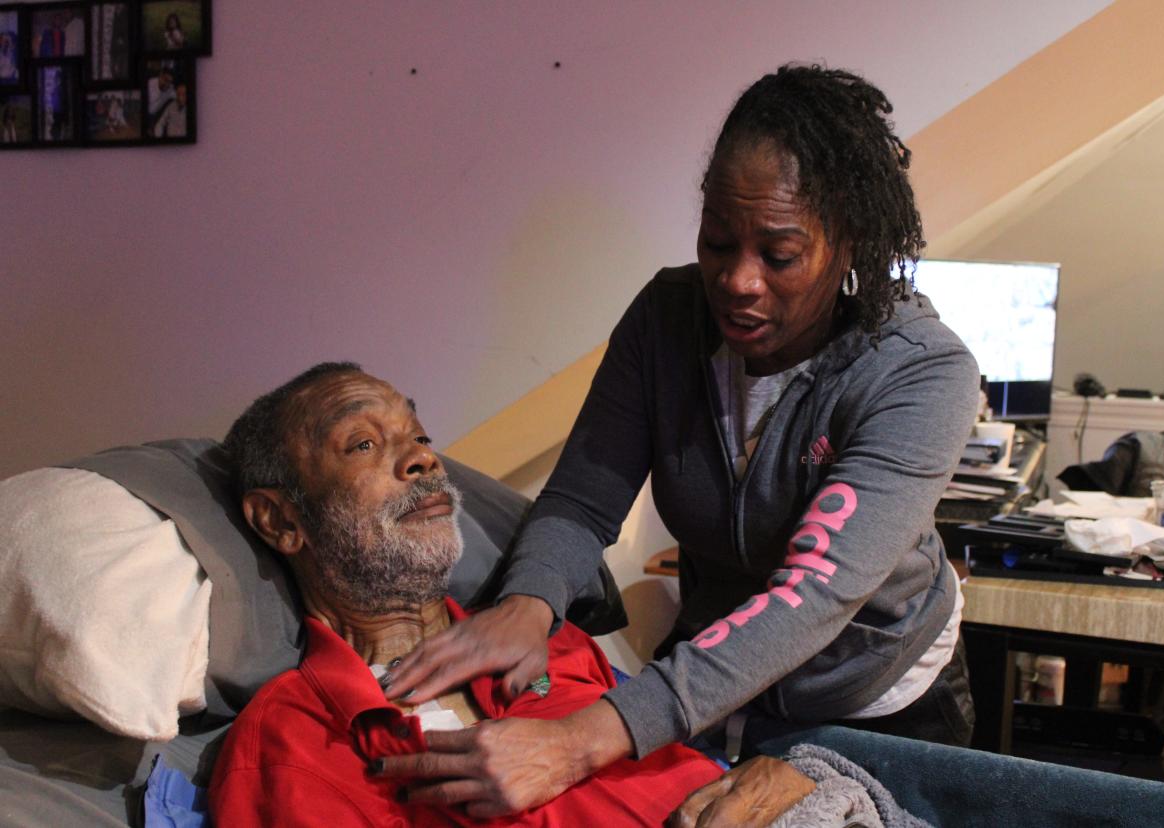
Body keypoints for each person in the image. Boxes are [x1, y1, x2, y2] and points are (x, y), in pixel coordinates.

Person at [380, 64, 982, 816]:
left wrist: (578, 742)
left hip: (875, 700)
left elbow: (811, 595)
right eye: (717, 241)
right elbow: (581, 498)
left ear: (848, 242)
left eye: (779, 255)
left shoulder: (920, 373)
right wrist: (529, 602)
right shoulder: (667, 319)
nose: (737, 280)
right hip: (719, 686)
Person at [209, 363, 750, 825]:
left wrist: (792, 780)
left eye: (419, 437)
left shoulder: (553, 642)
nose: (424, 460)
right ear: (280, 520)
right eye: (364, 444)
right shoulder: (290, 745)